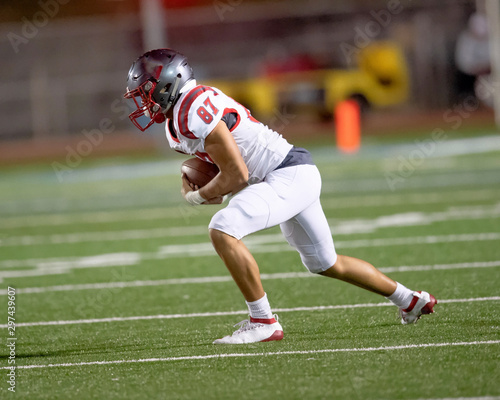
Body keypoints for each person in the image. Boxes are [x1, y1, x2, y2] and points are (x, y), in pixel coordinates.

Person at [124, 49, 437, 344]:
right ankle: (409, 299)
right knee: (326, 263)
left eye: (146, 93)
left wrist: (199, 196)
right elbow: (230, 170)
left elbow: (237, 175)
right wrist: (202, 181)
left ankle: (263, 322)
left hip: (286, 174)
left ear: (167, 84)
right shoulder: (182, 115)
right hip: (291, 173)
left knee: (222, 228)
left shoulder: (192, 110)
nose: (144, 103)